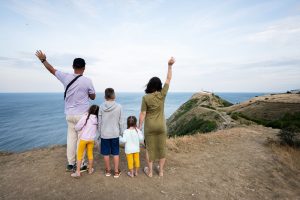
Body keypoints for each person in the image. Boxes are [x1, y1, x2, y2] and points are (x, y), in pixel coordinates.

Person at [35, 50, 96, 172]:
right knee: (81, 139)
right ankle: (81, 163)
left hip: (69, 114)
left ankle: (70, 163)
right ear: (84, 68)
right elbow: (93, 96)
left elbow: (51, 69)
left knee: (71, 138)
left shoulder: (65, 77)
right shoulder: (87, 81)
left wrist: (43, 60)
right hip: (82, 115)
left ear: (73, 67)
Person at [138, 57, 175, 177]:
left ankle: (149, 172)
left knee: (150, 149)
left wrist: (139, 126)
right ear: (159, 86)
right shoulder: (162, 95)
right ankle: (161, 171)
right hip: (161, 126)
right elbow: (168, 79)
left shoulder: (145, 98)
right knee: (161, 148)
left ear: (149, 85)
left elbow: (143, 113)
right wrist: (169, 66)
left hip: (150, 126)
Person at [99, 88, 123, 178]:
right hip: (115, 133)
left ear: (105, 96)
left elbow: (99, 122)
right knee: (115, 153)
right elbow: (121, 122)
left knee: (106, 153)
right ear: (114, 95)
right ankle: (116, 172)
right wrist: (121, 132)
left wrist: (99, 133)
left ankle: (108, 171)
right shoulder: (119, 106)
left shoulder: (101, 106)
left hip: (104, 134)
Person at [71, 105, 99, 178]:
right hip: (91, 140)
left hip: (83, 139)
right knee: (90, 154)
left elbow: (78, 127)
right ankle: (90, 170)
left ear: (90, 110)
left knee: (79, 155)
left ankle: (78, 172)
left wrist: (75, 128)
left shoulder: (86, 117)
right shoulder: (97, 119)